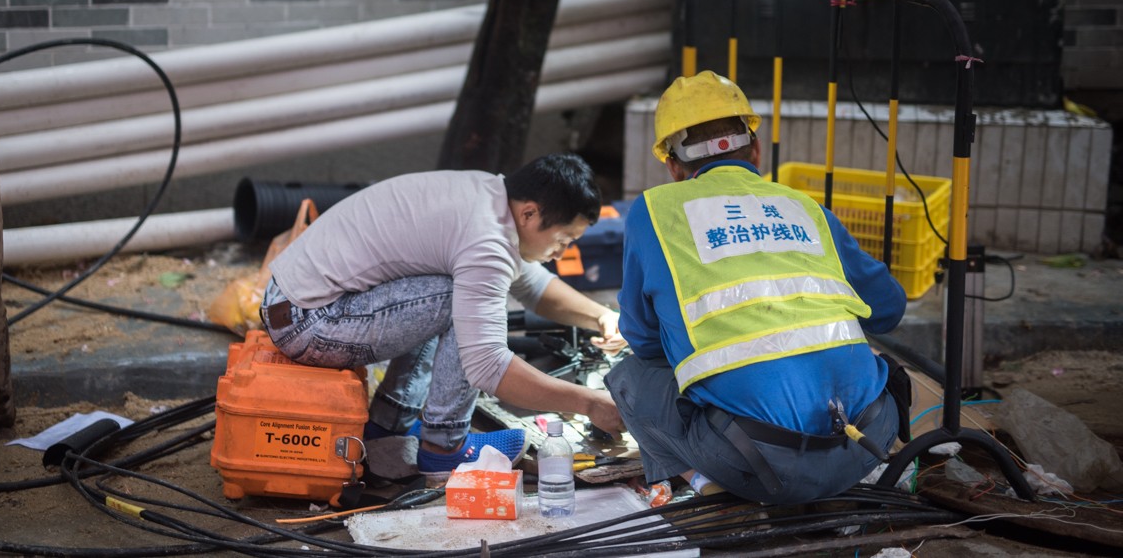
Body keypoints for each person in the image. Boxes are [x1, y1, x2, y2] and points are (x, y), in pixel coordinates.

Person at [605, 72, 910, 505]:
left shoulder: (653, 211)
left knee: (630, 376)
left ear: (673, 166)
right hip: (867, 444)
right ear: (756, 150)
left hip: (758, 465)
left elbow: (644, 341)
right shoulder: (806, 209)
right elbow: (888, 309)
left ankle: (705, 490)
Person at [259, 153, 627, 477]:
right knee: (464, 300)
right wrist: (589, 401)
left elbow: (530, 283)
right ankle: (444, 446)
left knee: (465, 289)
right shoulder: (487, 238)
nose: (561, 253)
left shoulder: (490, 196)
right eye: (563, 240)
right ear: (529, 213)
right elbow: (487, 365)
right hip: (309, 323)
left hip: (293, 304)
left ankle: (390, 425)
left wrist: (601, 316)